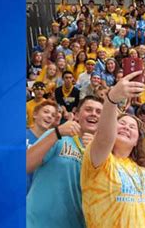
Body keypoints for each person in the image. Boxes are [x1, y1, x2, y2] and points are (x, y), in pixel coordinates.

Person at [80, 71, 145, 227]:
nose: (126, 127)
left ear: (137, 140)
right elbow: (105, 138)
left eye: (132, 127)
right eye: (121, 123)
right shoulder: (99, 159)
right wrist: (112, 99)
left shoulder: (143, 169)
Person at [26, 96, 104, 228]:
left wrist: (95, 150)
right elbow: (26, 164)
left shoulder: (104, 152)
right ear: (77, 115)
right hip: (37, 222)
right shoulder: (57, 135)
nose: (93, 114)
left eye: (99, 112)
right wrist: (57, 133)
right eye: (88, 109)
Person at [26, 100, 59, 193]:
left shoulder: (54, 142)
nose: (49, 116)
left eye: (53, 115)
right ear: (35, 114)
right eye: (46, 112)